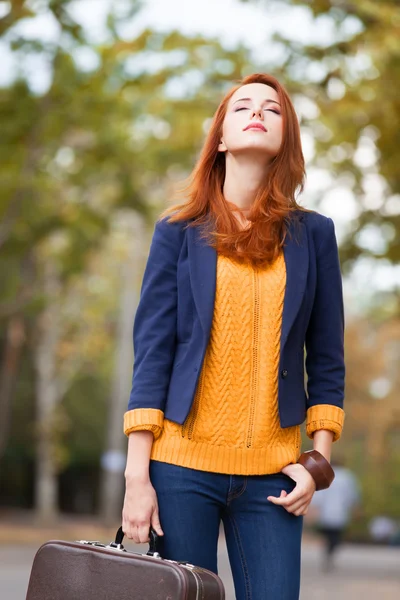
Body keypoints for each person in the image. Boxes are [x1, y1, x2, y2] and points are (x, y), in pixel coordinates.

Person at [122, 73, 345, 600]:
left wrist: (318, 465)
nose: (258, 112)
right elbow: (152, 356)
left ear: (285, 137)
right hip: (180, 470)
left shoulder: (314, 235)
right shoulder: (177, 231)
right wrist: (137, 478)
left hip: (274, 476)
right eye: (243, 106)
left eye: (273, 108)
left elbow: (328, 358)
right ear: (220, 137)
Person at [311, 459, 361, 571]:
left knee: (328, 536)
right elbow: (352, 494)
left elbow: (319, 494)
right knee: (336, 538)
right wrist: (355, 508)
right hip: (340, 513)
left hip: (326, 513)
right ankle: (330, 554)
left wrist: (314, 510)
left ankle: (328, 554)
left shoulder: (326, 475)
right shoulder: (347, 476)